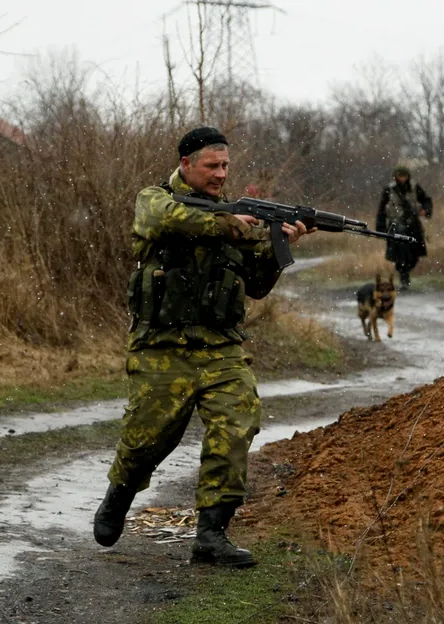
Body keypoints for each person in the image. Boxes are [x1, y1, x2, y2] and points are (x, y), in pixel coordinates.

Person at [91, 126, 311, 569]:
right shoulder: (154, 200)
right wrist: (229, 225)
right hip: (161, 346)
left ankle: (212, 534)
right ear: (186, 164)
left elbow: (256, 286)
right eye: (212, 166)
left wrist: (277, 245)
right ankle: (121, 491)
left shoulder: (236, 218)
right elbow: (169, 221)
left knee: (236, 422)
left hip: (221, 348)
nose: (220, 174)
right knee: (148, 439)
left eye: (226, 166)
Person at [375, 164, 433, 290]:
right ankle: (404, 278)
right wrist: (380, 228)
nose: (402, 178)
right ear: (396, 176)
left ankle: (406, 271)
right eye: (400, 176)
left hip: (413, 224)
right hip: (396, 225)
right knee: (400, 253)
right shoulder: (389, 190)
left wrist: (426, 210)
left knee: (415, 253)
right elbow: (381, 210)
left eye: (404, 176)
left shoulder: (414, 187)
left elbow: (426, 200)